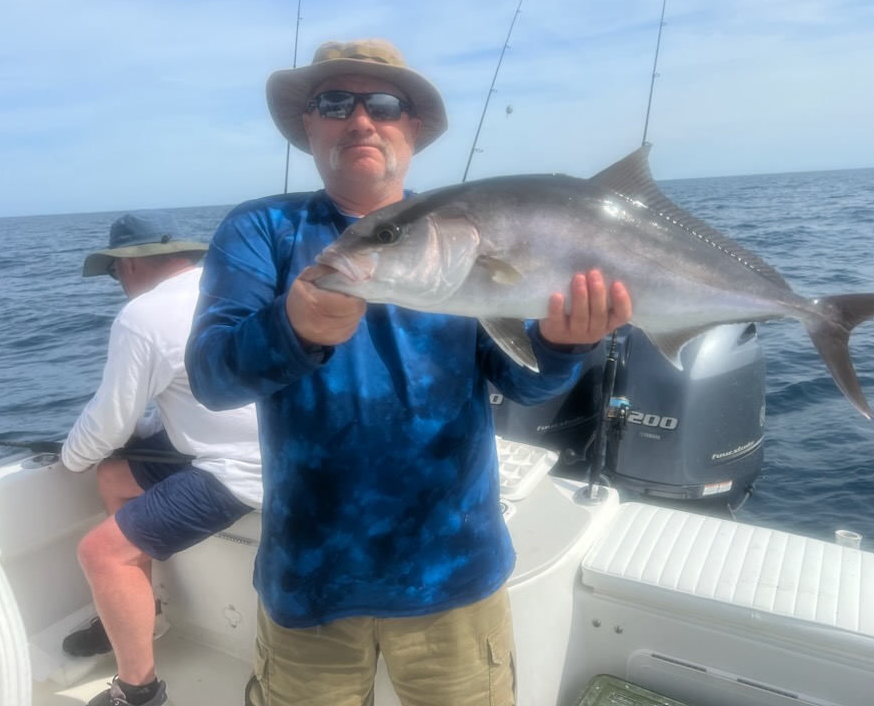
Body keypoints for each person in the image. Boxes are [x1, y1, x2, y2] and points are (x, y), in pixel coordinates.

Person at [185, 39, 632, 706]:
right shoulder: (263, 232)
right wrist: (292, 330)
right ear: (308, 124)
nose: (361, 120)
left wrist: (565, 347)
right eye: (334, 102)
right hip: (310, 581)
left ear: (412, 126)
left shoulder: (469, 232)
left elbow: (521, 384)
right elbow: (212, 379)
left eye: (385, 103)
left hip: (452, 575)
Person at [60, 210, 262, 706]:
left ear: (129, 267)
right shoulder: (241, 287)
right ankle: (133, 616)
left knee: (101, 553)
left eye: (113, 272)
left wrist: (69, 460)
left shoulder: (142, 315)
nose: (118, 283)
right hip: (283, 448)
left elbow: (109, 422)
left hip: (246, 471)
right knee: (114, 477)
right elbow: (186, 403)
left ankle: (138, 691)